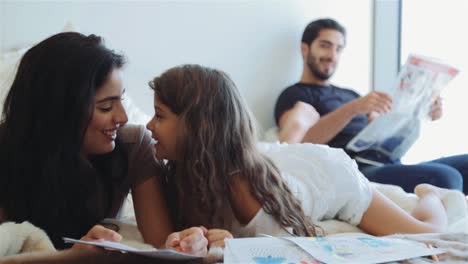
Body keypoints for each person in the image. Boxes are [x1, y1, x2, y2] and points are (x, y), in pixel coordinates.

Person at [146, 64, 450, 243]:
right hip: (283, 161)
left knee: (426, 232)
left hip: (327, 176)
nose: (148, 125)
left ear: (197, 126)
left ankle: (430, 195)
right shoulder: (178, 171)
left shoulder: (245, 188)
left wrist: (230, 245)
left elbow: (278, 245)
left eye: (160, 116)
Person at [0, 32, 207, 256]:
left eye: (121, 100)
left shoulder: (133, 145)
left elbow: (161, 246)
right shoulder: (7, 149)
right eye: (106, 107)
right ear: (59, 111)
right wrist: (69, 259)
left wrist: (185, 244)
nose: (123, 117)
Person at [274, 18, 468, 194]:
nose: (332, 55)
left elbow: (383, 131)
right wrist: (352, 109)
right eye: (325, 46)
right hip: (357, 170)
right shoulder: (295, 94)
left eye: (339, 49)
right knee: (447, 177)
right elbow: (297, 145)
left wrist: (423, 110)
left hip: (389, 163)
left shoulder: (350, 94)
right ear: (305, 49)